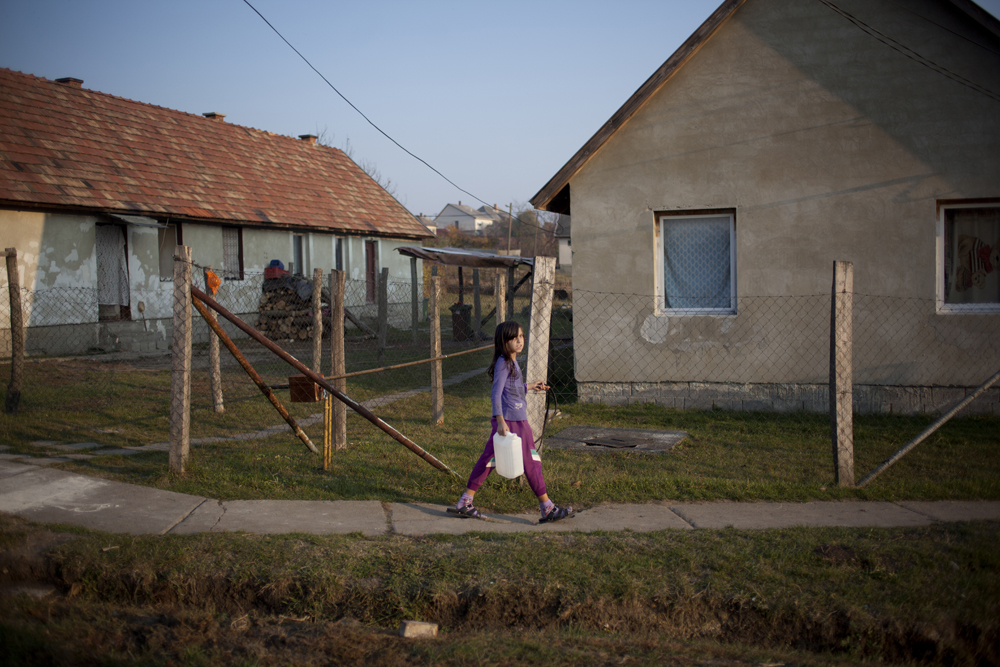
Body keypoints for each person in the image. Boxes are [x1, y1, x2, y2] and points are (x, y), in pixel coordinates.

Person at [448, 320, 574, 524]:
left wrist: (531, 386)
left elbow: (512, 390)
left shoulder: (511, 362)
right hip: (511, 422)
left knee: (489, 461)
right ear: (503, 341)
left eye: (522, 336)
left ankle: (465, 501)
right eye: (514, 337)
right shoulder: (504, 363)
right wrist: (500, 421)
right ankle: (547, 508)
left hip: (514, 419)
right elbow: (496, 394)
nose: (519, 340)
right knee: (531, 462)